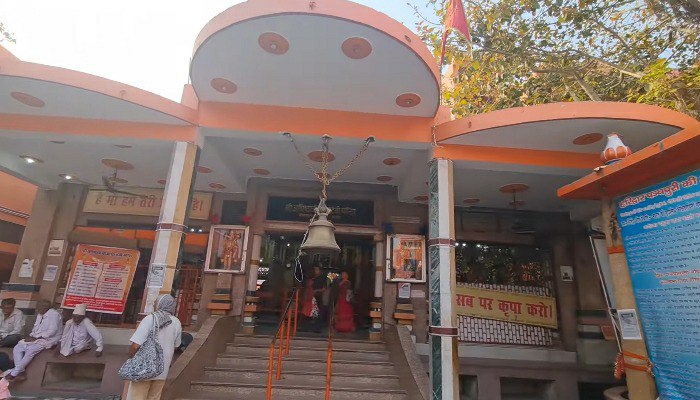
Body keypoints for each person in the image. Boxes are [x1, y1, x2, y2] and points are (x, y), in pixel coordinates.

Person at [125, 294, 182, 400]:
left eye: (156, 302)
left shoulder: (150, 319)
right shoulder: (176, 322)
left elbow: (136, 345)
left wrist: (131, 358)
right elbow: (176, 346)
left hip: (143, 369)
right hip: (162, 370)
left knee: (137, 397)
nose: (154, 304)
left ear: (161, 304)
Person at [6, 299, 62, 381]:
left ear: (45, 307)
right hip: (36, 337)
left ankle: (14, 373)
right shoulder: (40, 314)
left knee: (30, 350)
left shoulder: (54, 314)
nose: (36, 309)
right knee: (18, 348)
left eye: (38, 307)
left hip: (49, 339)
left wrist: (36, 338)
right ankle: (21, 372)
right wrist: (31, 336)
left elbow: (52, 331)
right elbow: (35, 328)